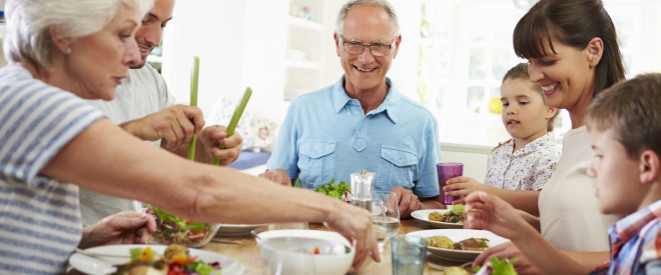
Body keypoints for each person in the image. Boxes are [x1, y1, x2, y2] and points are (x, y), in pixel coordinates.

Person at [0, 0, 379, 273]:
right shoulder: (31, 103)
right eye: (122, 35)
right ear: (64, 36)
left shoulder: (21, 93)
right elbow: (196, 190)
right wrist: (333, 209)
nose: (135, 55)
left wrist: (86, 237)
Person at [470, 0, 626, 272]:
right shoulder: (573, 138)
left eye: (548, 61)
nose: (535, 75)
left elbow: (647, 254)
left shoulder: (629, 137)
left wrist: (539, 255)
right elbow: (586, 233)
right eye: (530, 62)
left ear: (593, 51)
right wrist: (524, 228)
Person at [464, 73, 661, 274]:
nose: (590, 170)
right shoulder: (637, 234)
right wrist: (523, 231)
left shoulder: (653, 248)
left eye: (600, 156)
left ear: (646, 166)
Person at [262, 0, 443, 218]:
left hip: (385, 245)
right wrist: (276, 178)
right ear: (337, 43)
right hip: (315, 245)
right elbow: (278, 184)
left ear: (396, 46)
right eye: (354, 43)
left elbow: (436, 205)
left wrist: (416, 206)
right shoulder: (303, 109)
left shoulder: (421, 121)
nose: (365, 59)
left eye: (379, 45)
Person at [78, 0, 243, 225]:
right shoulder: (58, 80)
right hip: (84, 244)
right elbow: (69, 158)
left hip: (142, 239)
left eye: (164, 25)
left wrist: (209, 148)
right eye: (145, 21)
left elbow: (177, 147)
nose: (156, 40)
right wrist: (138, 129)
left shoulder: (151, 79)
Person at [443, 63, 560, 215]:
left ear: (550, 108)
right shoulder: (497, 153)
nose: (510, 110)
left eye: (522, 102)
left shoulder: (551, 158)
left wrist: (484, 192)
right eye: (505, 103)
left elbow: (544, 203)